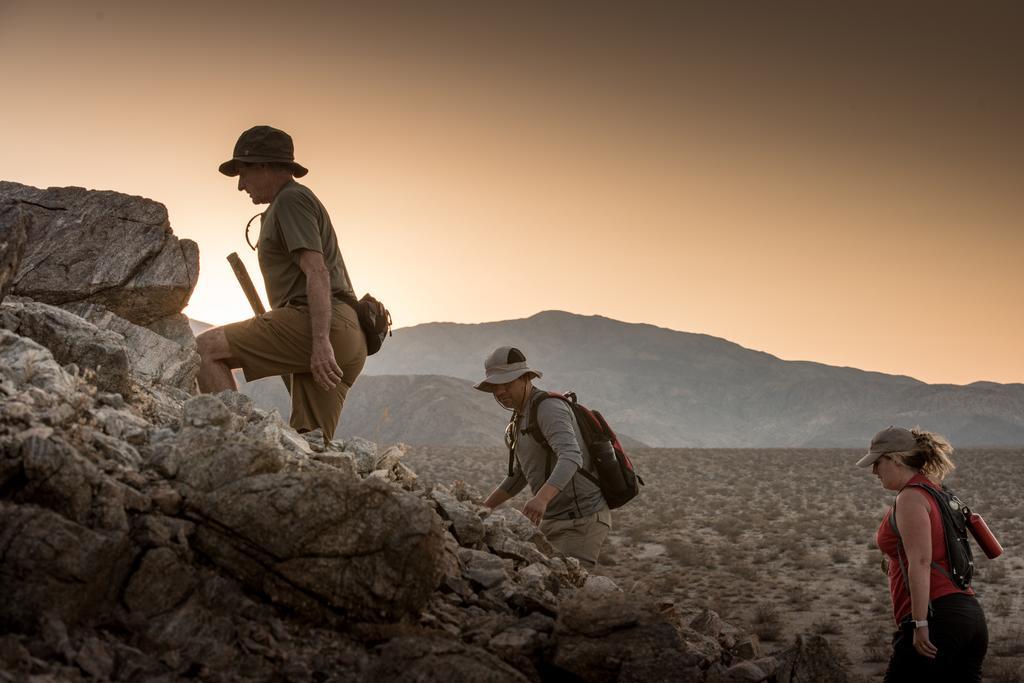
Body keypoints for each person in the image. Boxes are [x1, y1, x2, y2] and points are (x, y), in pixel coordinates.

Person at [196, 125, 366, 437]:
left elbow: (316, 270)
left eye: (243, 173)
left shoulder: (291, 200)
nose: (240, 185)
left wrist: (320, 343)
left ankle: (234, 441)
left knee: (205, 349)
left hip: (318, 323)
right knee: (310, 442)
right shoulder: (292, 202)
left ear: (264, 166)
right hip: (349, 334)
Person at [859, 425, 988, 682]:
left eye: (878, 462)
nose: (874, 471)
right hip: (969, 617)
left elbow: (920, 561)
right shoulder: (937, 491)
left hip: (937, 618)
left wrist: (920, 624)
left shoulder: (910, 497)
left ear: (895, 459)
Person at [474, 346, 611, 567]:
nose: (500, 392)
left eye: (507, 383)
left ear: (526, 378)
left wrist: (541, 499)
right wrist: (484, 507)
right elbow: (520, 475)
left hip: (581, 521)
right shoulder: (518, 420)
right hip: (550, 521)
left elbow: (571, 456)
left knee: (567, 592)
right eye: (494, 387)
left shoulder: (548, 408)